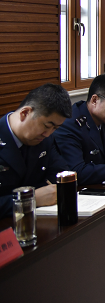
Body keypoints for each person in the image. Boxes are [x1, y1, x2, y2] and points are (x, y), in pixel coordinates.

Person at [0, 84, 71, 218]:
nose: (48, 134)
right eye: (47, 126)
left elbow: (60, 176)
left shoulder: (44, 140)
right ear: (25, 113)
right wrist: (30, 199)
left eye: (55, 128)